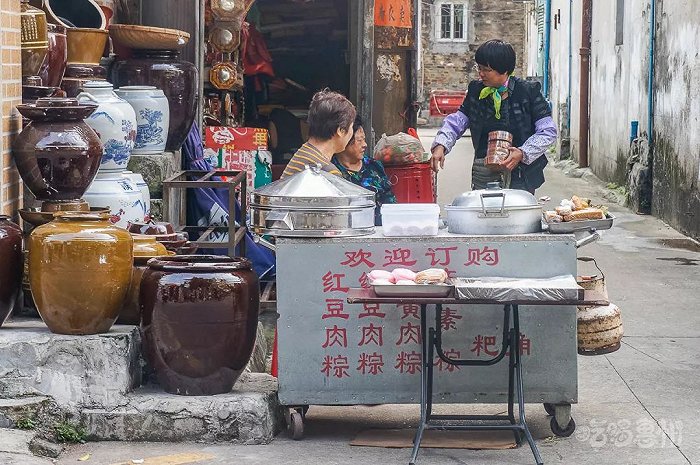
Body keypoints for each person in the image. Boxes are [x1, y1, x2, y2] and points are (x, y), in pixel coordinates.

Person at [430, 39, 557, 194]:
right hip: (484, 171)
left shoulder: (528, 92)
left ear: (504, 70)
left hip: (521, 173)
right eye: (479, 68)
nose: (481, 74)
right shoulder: (476, 91)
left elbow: (548, 131)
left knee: (517, 215)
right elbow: (457, 121)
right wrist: (441, 145)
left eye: (487, 70)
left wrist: (523, 153)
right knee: (485, 213)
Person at [332, 117, 397, 225]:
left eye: (364, 140)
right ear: (344, 141)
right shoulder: (331, 170)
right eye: (359, 141)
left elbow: (390, 202)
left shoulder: (374, 166)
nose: (365, 145)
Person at [281, 90, 356, 179]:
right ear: (340, 130)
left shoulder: (303, 152)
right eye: (351, 126)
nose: (352, 132)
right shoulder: (327, 172)